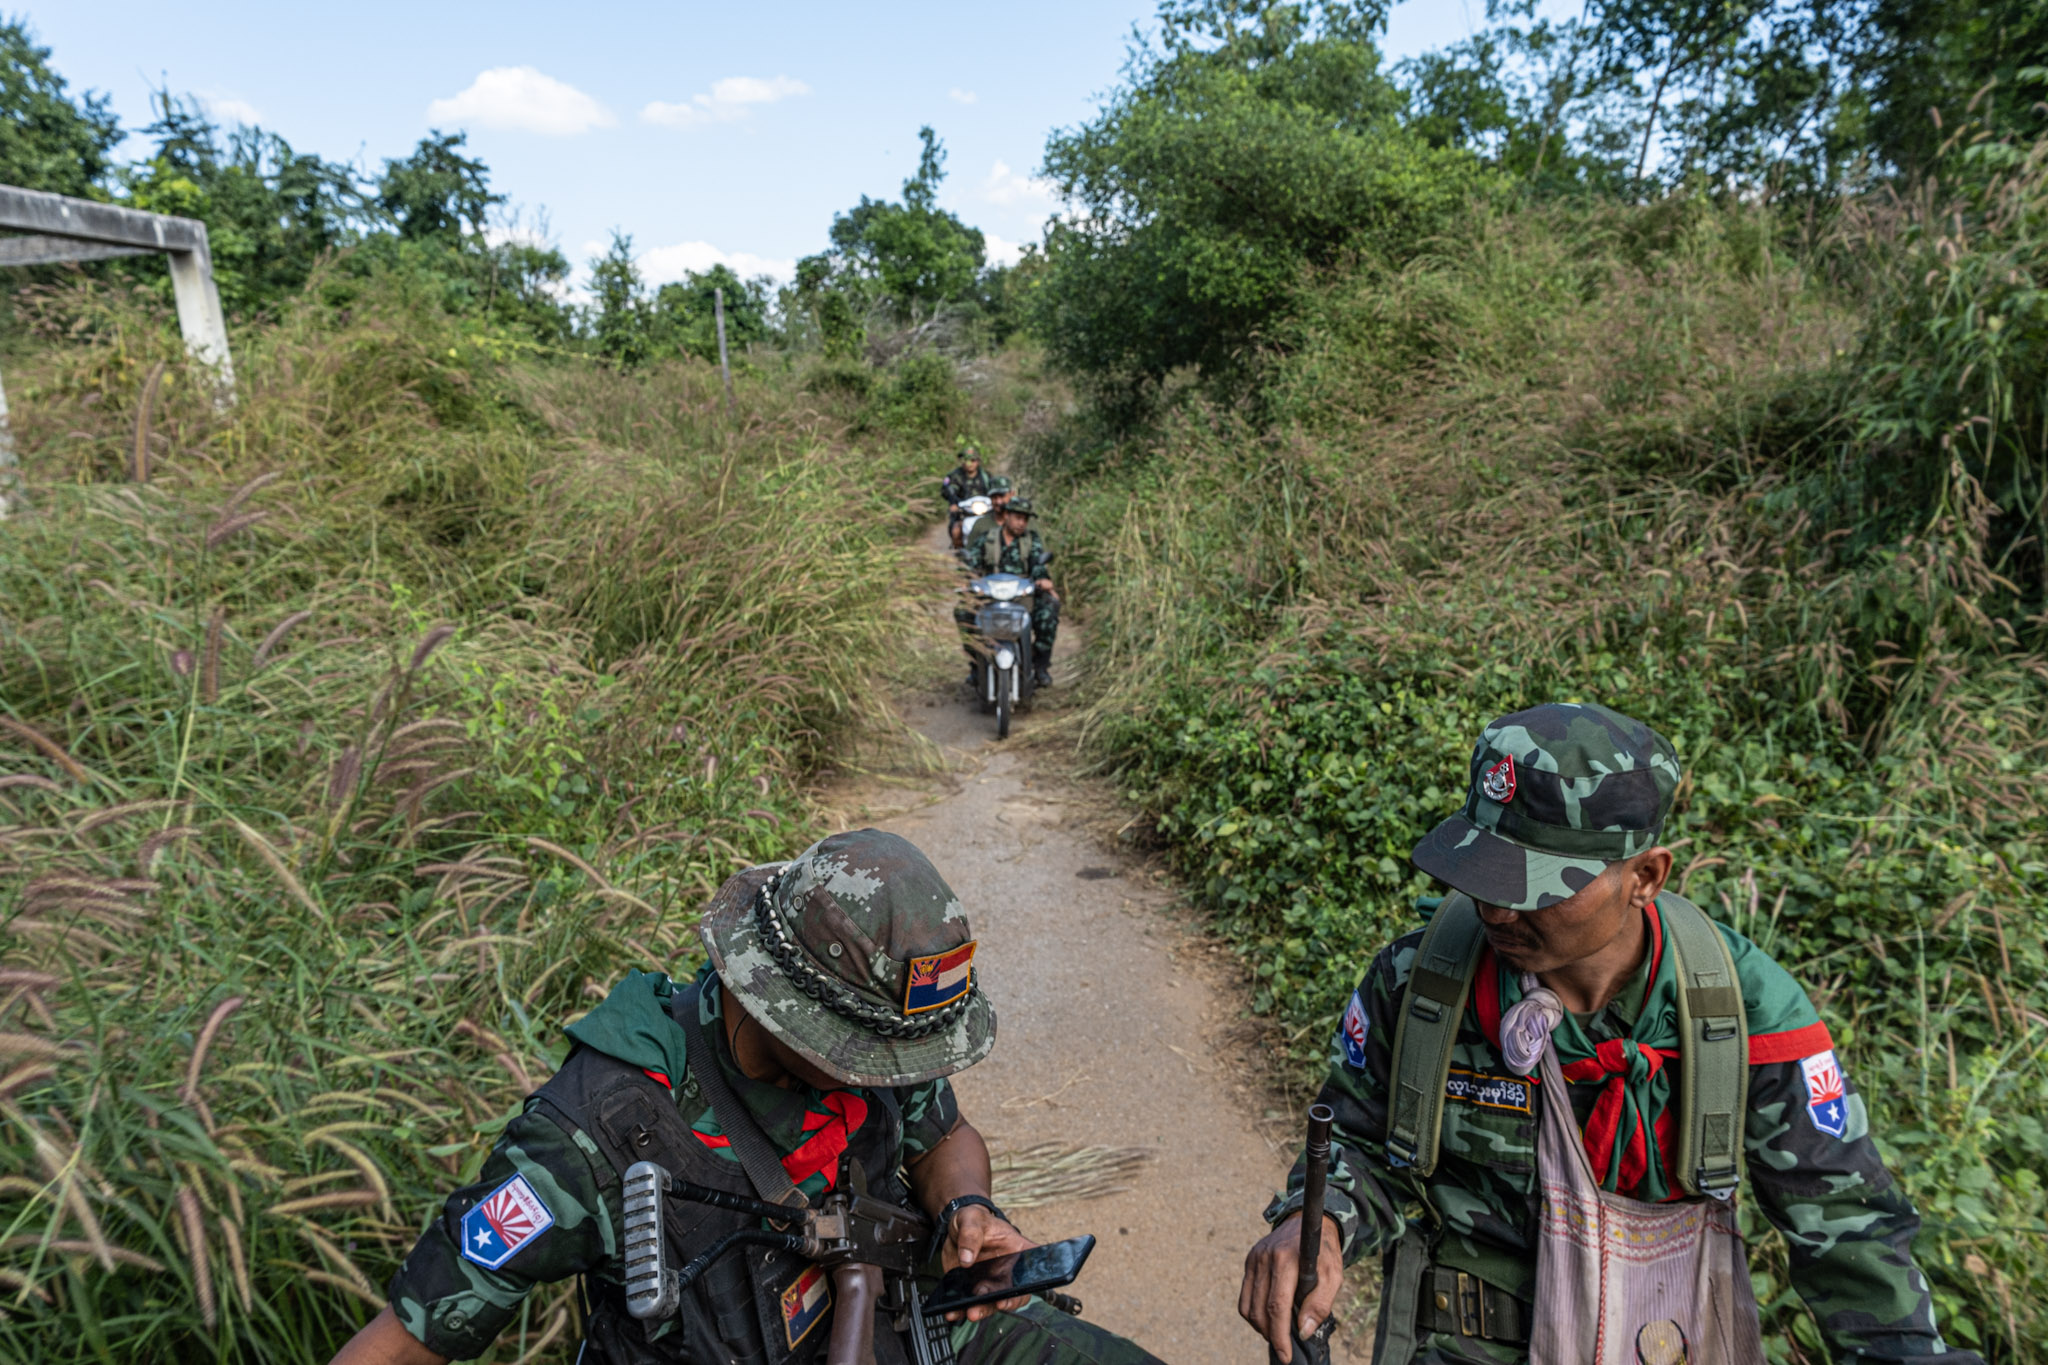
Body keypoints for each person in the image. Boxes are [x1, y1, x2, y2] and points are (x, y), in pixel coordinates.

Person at [1238, 703, 1982, 1365]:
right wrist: (1320, 1217)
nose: (1496, 910)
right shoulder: (1424, 982)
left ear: (1646, 876)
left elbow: (1849, 1230)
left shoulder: (1744, 1013)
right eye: (1484, 871)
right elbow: (1360, 1145)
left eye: (1536, 886)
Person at [332, 829, 1158, 1365]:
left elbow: (944, 1134)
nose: (891, 1073)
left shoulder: (874, 1047)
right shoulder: (590, 1137)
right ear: (783, 1009)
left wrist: (968, 1208)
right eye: (869, 1056)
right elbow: (404, 1340)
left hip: (909, 1325)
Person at [956, 497, 1059, 688]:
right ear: (1007, 516)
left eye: (1025, 519)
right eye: (1017, 518)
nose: (1021, 523)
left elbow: (1037, 563)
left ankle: (1040, 666)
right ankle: (976, 664)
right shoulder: (987, 538)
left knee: (1049, 608)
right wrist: (967, 579)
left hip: (1021, 595)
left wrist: (1044, 581)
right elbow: (971, 562)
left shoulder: (1031, 540)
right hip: (990, 593)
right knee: (962, 611)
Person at [943, 448, 992, 549]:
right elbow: (949, 490)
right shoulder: (955, 476)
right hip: (963, 511)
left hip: (985, 510)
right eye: (967, 460)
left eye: (973, 460)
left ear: (978, 461)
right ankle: (959, 547)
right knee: (956, 531)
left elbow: (993, 490)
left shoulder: (986, 476)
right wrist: (953, 503)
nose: (970, 463)